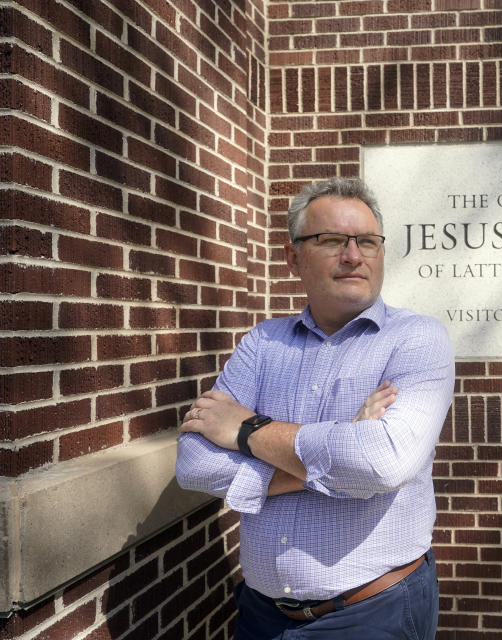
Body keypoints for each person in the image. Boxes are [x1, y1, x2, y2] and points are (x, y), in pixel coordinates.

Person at [176, 177, 455, 640]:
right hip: (261, 615)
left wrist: (248, 431)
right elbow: (194, 464)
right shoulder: (262, 344)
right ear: (293, 257)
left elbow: (381, 462)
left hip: (372, 614)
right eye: (331, 241)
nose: (353, 255)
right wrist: (341, 446)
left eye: (367, 241)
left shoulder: (416, 339)